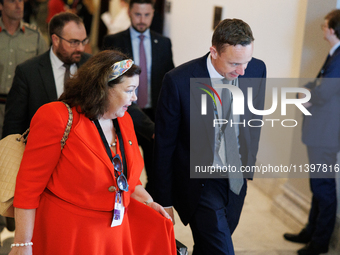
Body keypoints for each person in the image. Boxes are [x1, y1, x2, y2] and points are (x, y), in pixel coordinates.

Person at [9, 50, 176, 255]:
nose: (134, 98)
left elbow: (128, 180)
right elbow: (29, 186)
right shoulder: (57, 116)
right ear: (104, 88)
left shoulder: (124, 120)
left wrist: (149, 202)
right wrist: (22, 243)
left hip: (113, 233)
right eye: (129, 90)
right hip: (67, 233)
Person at [153, 18, 267, 255]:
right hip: (200, 182)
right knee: (222, 250)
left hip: (236, 179)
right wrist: (163, 199)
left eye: (246, 61)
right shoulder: (178, 81)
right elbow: (164, 145)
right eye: (235, 63)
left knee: (209, 246)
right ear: (213, 51)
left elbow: (253, 121)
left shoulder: (257, 69)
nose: (242, 71)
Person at [102, 0, 174, 196]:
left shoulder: (164, 43)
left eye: (147, 15)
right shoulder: (113, 41)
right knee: (125, 169)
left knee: (157, 170)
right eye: (137, 14)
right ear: (129, 13)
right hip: (124, 112)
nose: (142, 20)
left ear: (153, 15)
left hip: (154, 114)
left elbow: (169, 79)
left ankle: (148, 209)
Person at [283, 9, 340, 255]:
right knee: (317, 185)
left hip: (326, 133)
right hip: (321, 131)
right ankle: (310, 231)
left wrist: (307, 96)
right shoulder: (333, 54)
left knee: (323, 187)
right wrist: (307, 91)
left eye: (325, 24)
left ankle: (319, 242)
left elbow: (323, 91)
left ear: (332, 28)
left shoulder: (339, 56)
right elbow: (316, 84)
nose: (323, 28)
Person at [2, 12, 91, 137]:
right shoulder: (28, 72)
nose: (81, 48)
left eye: (84, 41)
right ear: (55, 40)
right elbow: (13, 125)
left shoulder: (92, 66)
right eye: (74, 42)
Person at [0, 0, 47, 233]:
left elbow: (43, 70)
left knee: (12, 161)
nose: (19, 5)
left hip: (18, 109)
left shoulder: (35, 36)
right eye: (12, 0)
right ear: (1, 5)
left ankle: (10, 218)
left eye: (21, 0)